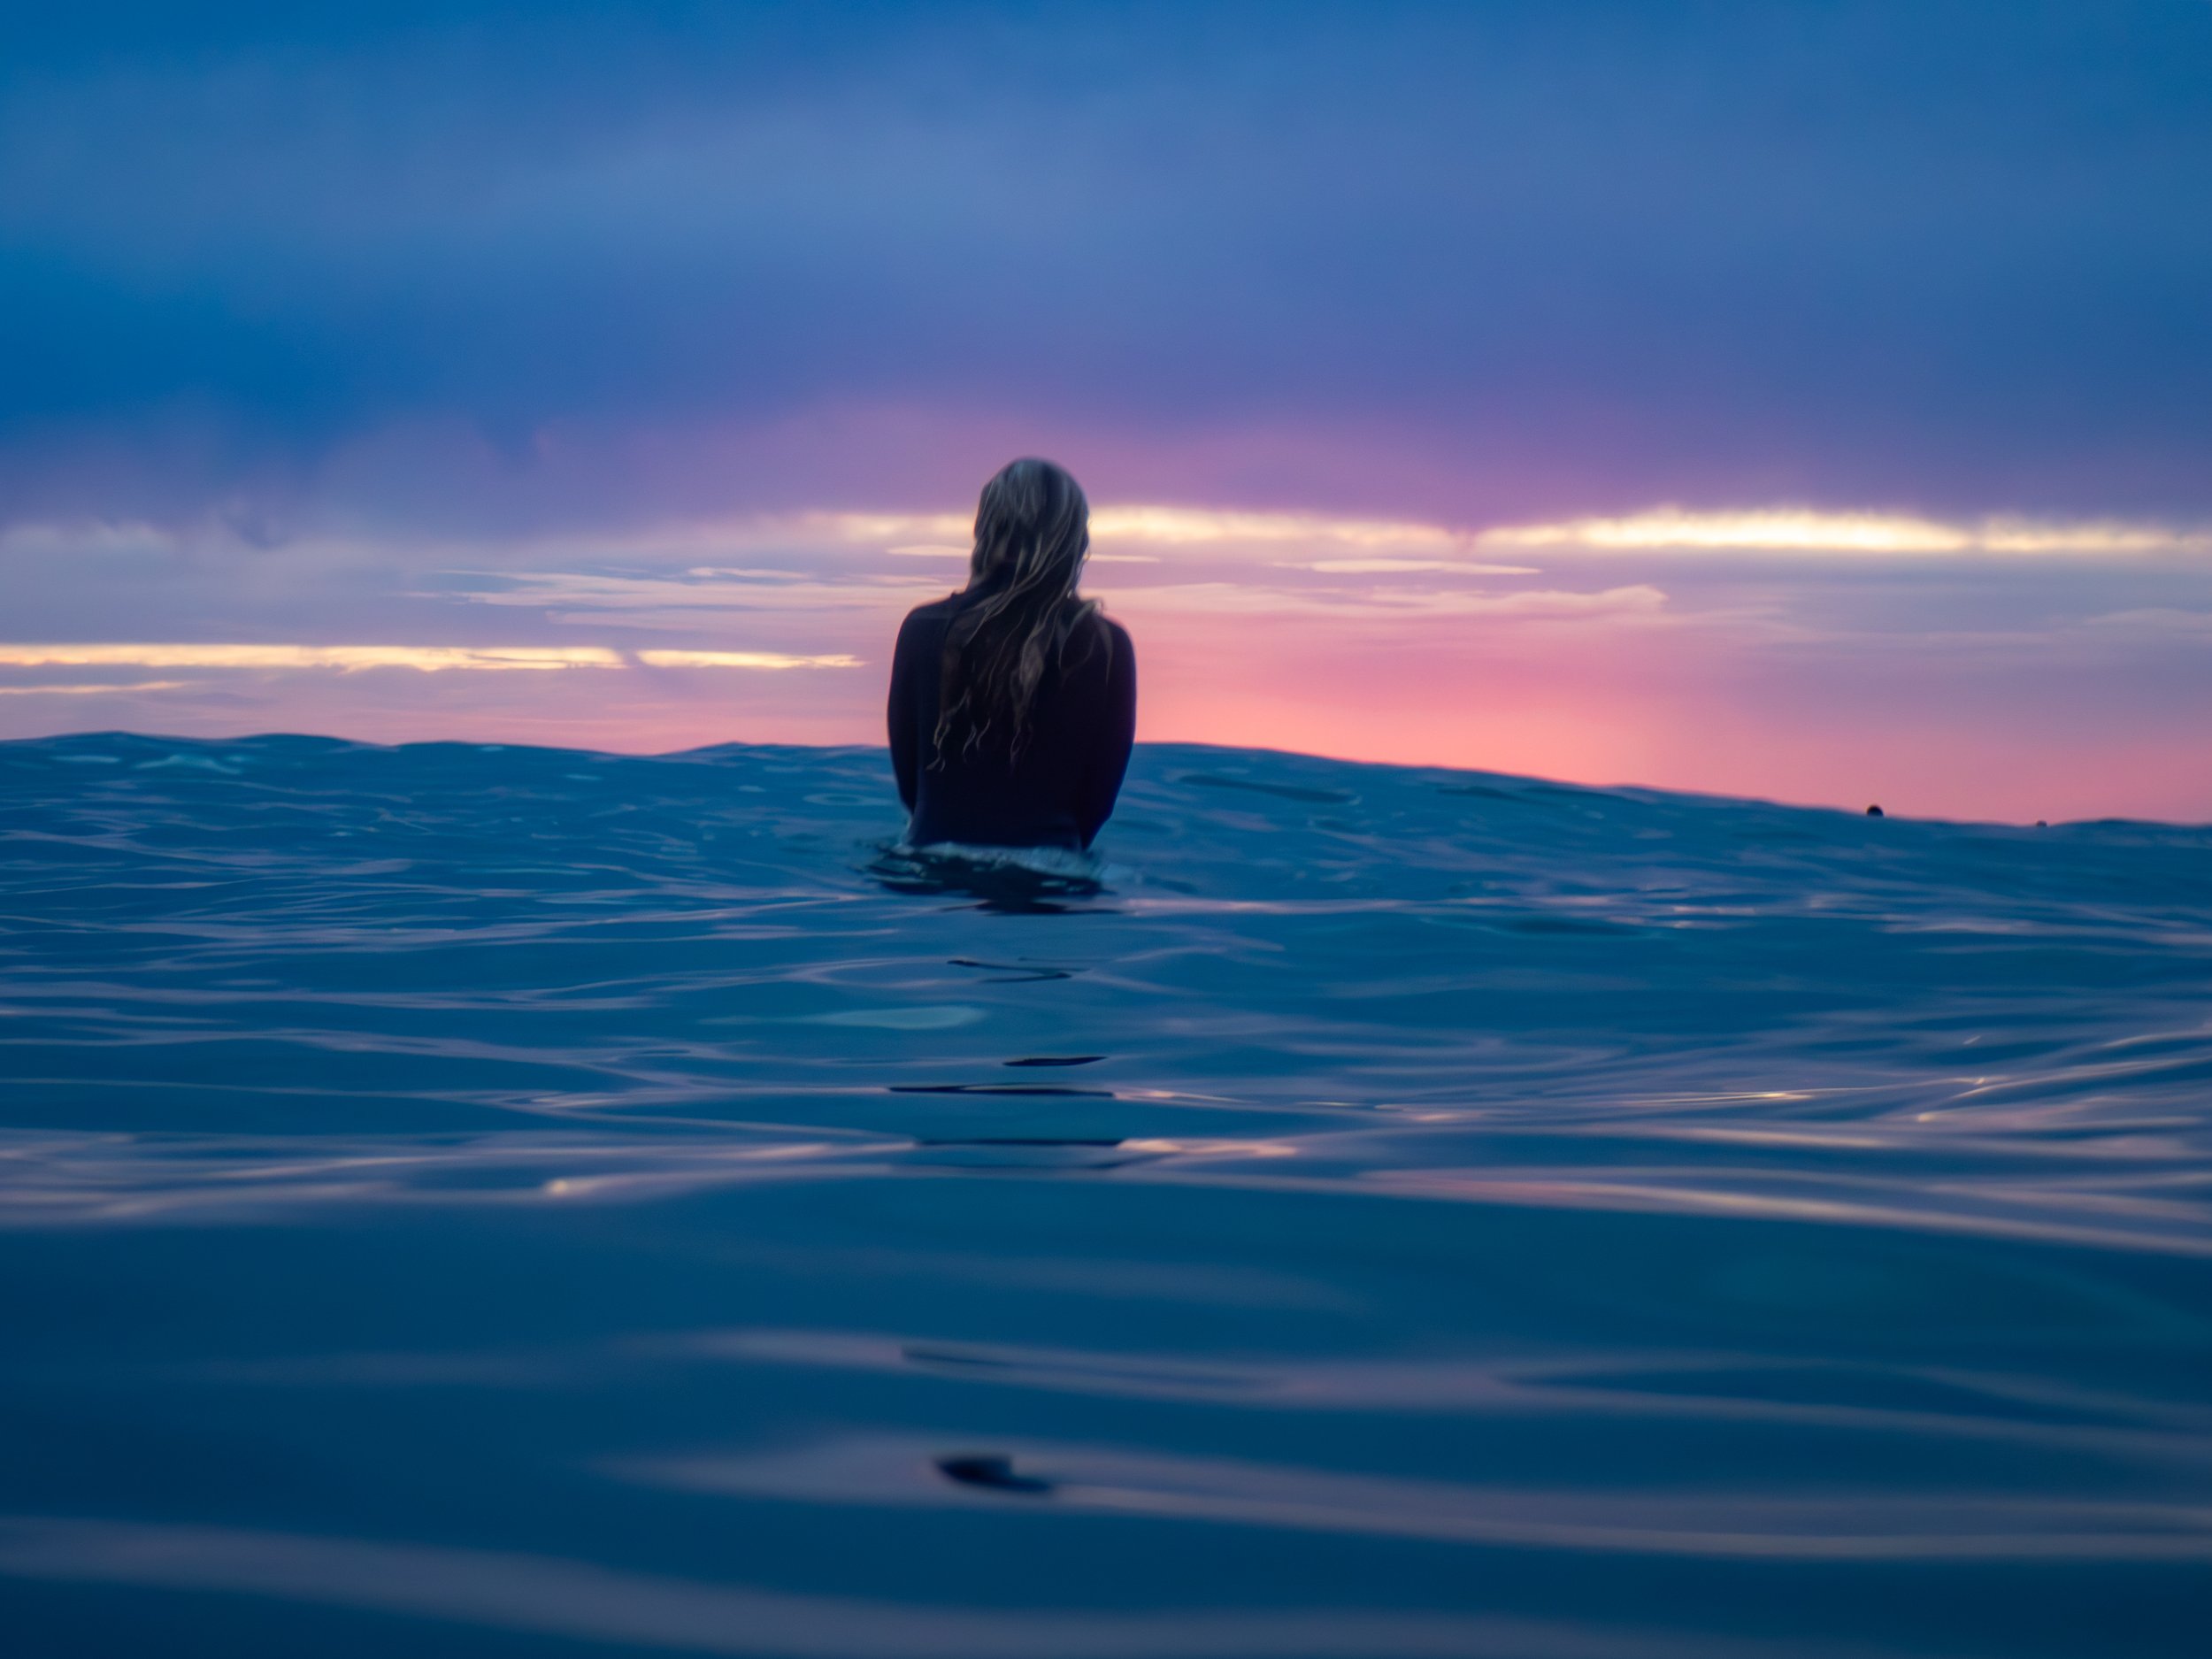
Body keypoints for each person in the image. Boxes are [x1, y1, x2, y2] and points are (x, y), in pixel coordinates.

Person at [887, 458, 1136, 850]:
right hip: (1052, 873)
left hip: (934, 868)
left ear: (986, 528)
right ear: (1074, 539)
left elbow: (909, 785)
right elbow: (1097, 802)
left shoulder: (924, 628)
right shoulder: (1106, 644)